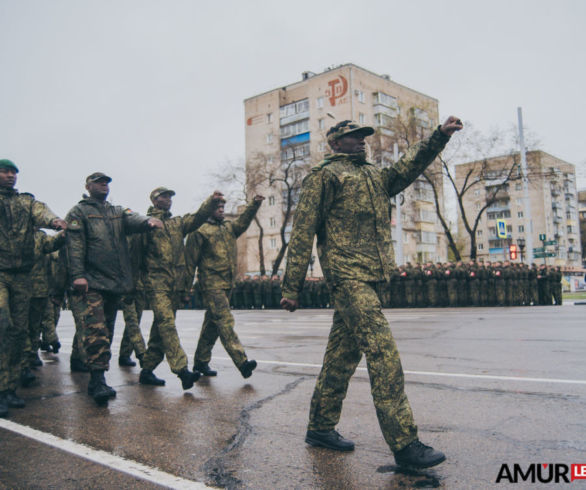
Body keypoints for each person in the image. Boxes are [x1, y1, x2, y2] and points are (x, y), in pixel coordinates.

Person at [280, 117, 462, 469]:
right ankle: (405, 444)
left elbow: (410, 164)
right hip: (347, 276)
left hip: (372, 277)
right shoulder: (325, 176)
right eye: (353, 137)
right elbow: (303, 230)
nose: (362, 141)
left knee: (341, 358)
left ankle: (320, 427)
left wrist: (439, 137)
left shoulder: (375, 177)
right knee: (383, 354)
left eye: (364, 136)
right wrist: (292, 287)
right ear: (335, 143)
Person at [65, 172, 163, 405]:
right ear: (88, 186)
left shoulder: (116, 212)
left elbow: (134, 218)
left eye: (106, 182)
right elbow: (74, 246)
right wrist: (78, 275)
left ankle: (88, 366)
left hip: (113, 283)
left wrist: (148, 222)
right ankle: (97, 380)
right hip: (91, 282)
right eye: (99, 182)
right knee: (96, 330)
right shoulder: (79, 213)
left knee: (105, 330)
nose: (104, 186)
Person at [0, 159, 67, 417]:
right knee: (3, 323)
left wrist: (57, 222)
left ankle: (7, 388)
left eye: (14, 173)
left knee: (19, 332)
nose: (10, 176)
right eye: (5, 172)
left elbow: (43, 212)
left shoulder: (25, 202)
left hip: (22, 277)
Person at [138, 187, 222, 389]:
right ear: (154, 200)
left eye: (170, 196)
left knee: (160, 330)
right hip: (156, 283)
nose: (168, 199)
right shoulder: (145, 224)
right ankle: (182, 370)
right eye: (163, 196)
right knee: (167, 324)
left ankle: (147, 371)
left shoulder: (177, 224)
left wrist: (211, 201)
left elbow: (198, 217)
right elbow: (136, 256)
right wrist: (137, 283)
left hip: (174, 285)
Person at [185, 195, 264, 378]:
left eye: (222, 206)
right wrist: (186, 288)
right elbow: (189, 263)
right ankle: (242, 362)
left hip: (227, 283)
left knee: (212, 324)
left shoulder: (228, 227)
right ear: (208, 209)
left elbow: (243, 222)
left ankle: (201, 362)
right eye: (217, 207)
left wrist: (254, 204)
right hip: (211, 284)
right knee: (225, 320)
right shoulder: (199, 231)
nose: (221, 209)